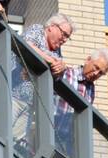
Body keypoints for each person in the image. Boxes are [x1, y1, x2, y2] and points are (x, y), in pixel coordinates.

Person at [11, 14, 75, 151]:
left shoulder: (57, 51)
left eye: (67, 37)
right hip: (10, 94)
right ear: (51, 27)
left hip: (29, 104)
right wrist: (50, 61)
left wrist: (62, 68)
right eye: (64, 34)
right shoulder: (37, 30)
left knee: (13, 144)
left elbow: (56, 75)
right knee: (0, 132)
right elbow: (26, 44)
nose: (64, 39)